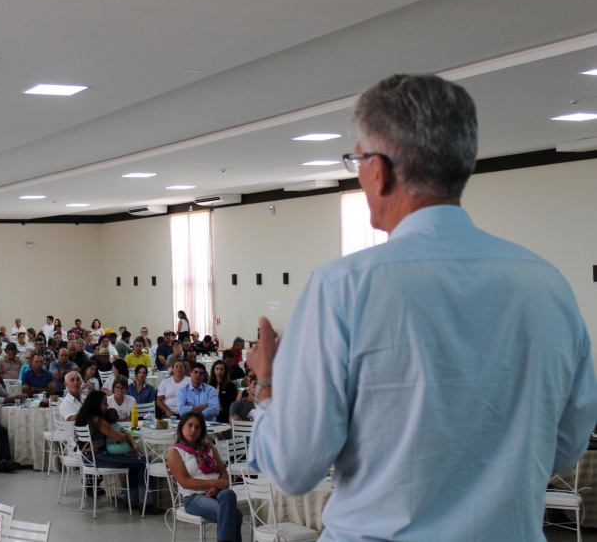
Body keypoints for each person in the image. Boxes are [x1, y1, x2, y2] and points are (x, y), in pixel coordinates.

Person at [246, 74, 597, 541]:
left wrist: (267, 387)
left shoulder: (344, 287)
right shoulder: (547, 284)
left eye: (357, 158)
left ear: (381, 169)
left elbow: (293, 469)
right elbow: (566, 444)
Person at [167, 411, 242, 542]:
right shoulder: (175, 452)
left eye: (197, 427)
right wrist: (216, 483)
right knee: (235, 515)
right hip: (194, 497)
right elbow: (185, 483)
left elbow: (223, 472)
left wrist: (218, 488)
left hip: (217, 493)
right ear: (181, 427)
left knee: (228, 494)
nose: (193, 430)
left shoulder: (209, 447)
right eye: (189, 425)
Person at [74, 391, 146, 506]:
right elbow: (120, 438)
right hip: (99, 457)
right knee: (144, 461)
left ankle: (132, 499)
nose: (107, 406)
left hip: (87, 458)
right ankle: (145, 503)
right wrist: (125, 434)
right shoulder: (98, 421)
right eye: (105, 403)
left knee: (135, 462)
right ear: (97, 404)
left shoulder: (83, 418)